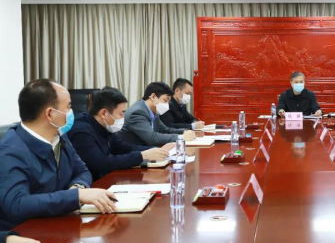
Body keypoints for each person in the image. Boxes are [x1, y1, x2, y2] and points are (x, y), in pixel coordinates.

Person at [0, 79, 117, 230]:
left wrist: (77, 187)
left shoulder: (59, 135)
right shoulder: (11, 150)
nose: (71, 112)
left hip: (60, 223)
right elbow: (17, 204)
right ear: (50, 113)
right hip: (27, 234)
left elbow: (82, 170)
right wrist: (76, 196)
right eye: (68, 106)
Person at [68, 87, 170, 181]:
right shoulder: (81, 131)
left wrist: (156, 150)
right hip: (90, 185)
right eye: (121, 114)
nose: (123, 118)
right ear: (104, 113)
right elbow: (101, 164)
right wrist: (141, 156)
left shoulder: (105, 126)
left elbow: (123, 148)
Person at [118, 82, 196, 146]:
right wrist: (181, 137)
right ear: (153, 97)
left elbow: (165, 130)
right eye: (165, 100)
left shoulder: (154, 110)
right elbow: (152, 137)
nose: (167, 105)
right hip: (134, 155)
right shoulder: (137, 112)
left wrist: (185, 132)